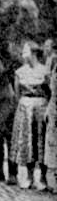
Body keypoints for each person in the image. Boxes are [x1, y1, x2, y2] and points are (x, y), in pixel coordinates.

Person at [9, 41, 50, 189]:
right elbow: (17, 94)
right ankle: (29, 176)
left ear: (33, 53)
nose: (23, 54)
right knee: (27, 142)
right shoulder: (20, 72)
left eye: (25, 51)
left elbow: (49, 92)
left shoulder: (45, 71)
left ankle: (43, 178)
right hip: (25, 109)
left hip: (41, 107)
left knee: (41, 141)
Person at [44, 56, 57, 192]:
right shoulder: (54, 65)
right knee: (52, 143)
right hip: (53, 109)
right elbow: (52, 92)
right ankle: (53, 181)